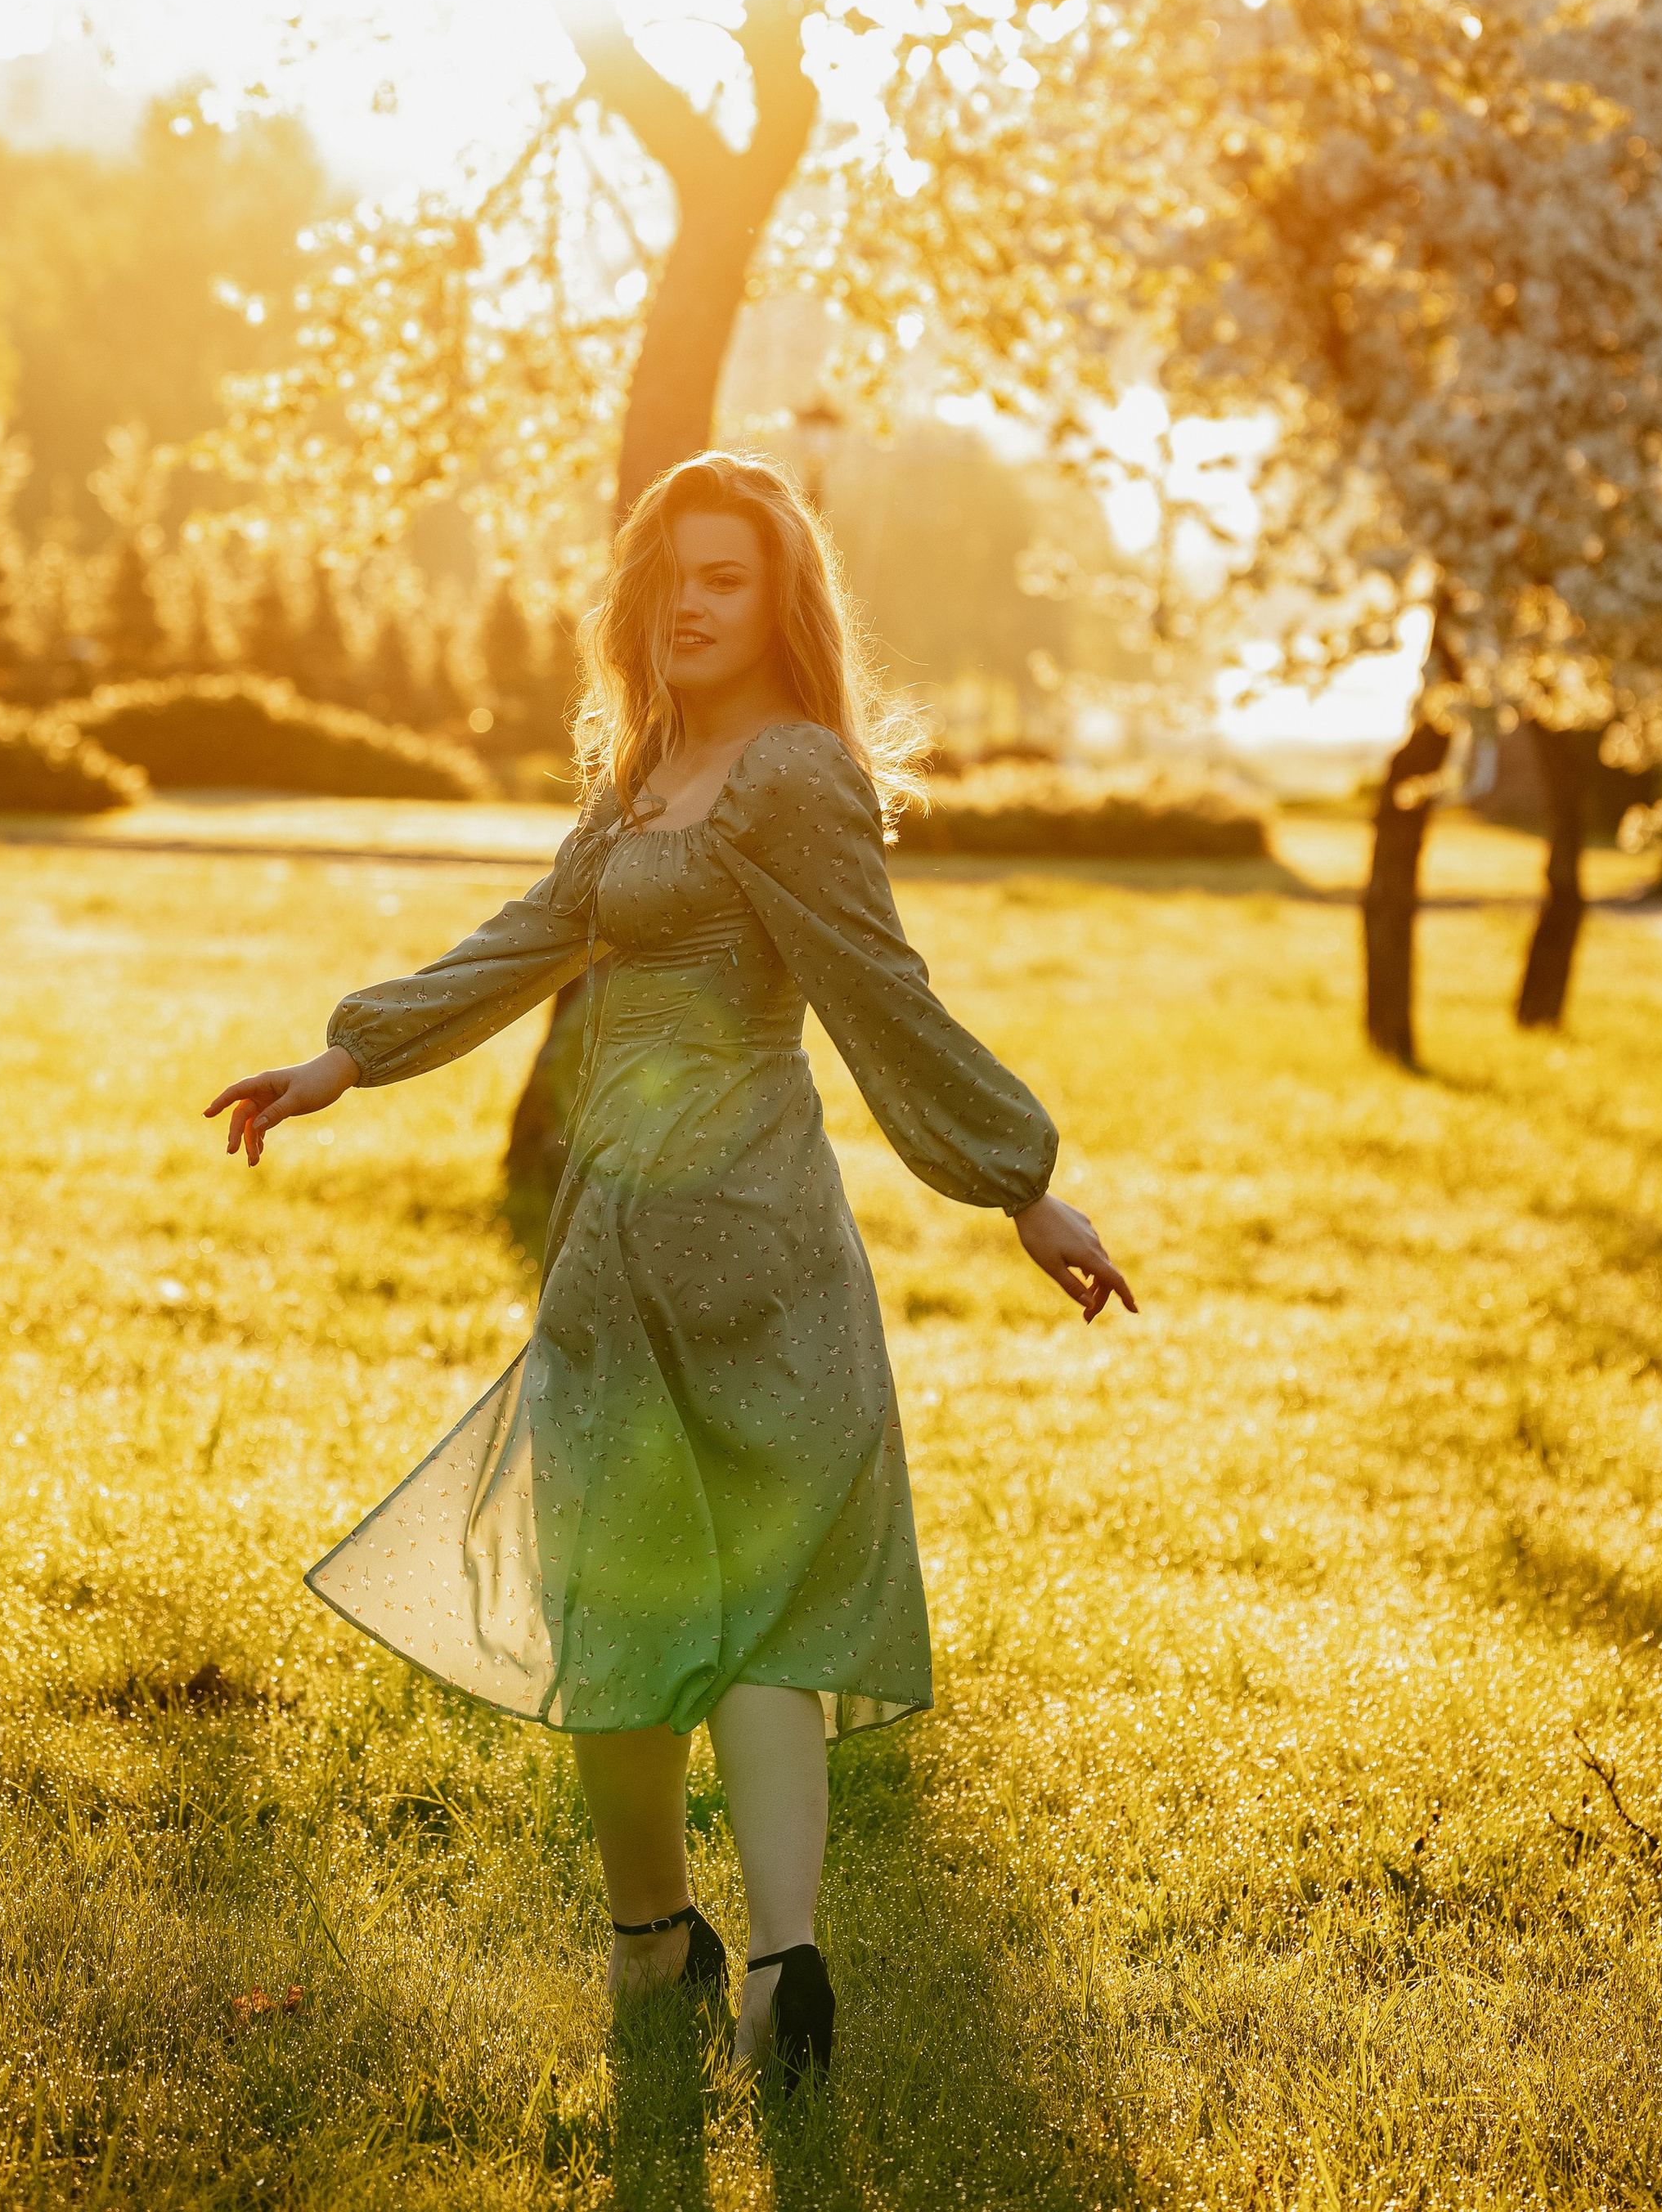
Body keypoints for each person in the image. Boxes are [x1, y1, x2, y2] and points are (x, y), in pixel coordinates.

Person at [206, 451, 1136, 2086]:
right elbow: (525, 938)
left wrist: (1020, 1189)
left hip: (745, 1256)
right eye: (673, 578)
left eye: (727, 580)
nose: (693, 606)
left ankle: (745, 1962)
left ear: (778, 602)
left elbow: (880, 994)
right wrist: (342, 1058)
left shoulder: (789, 776)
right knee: (653, 1606)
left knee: (715, 1611)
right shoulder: (645, 774)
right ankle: (697, 1951)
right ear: (640, 599)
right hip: (631, 1256)